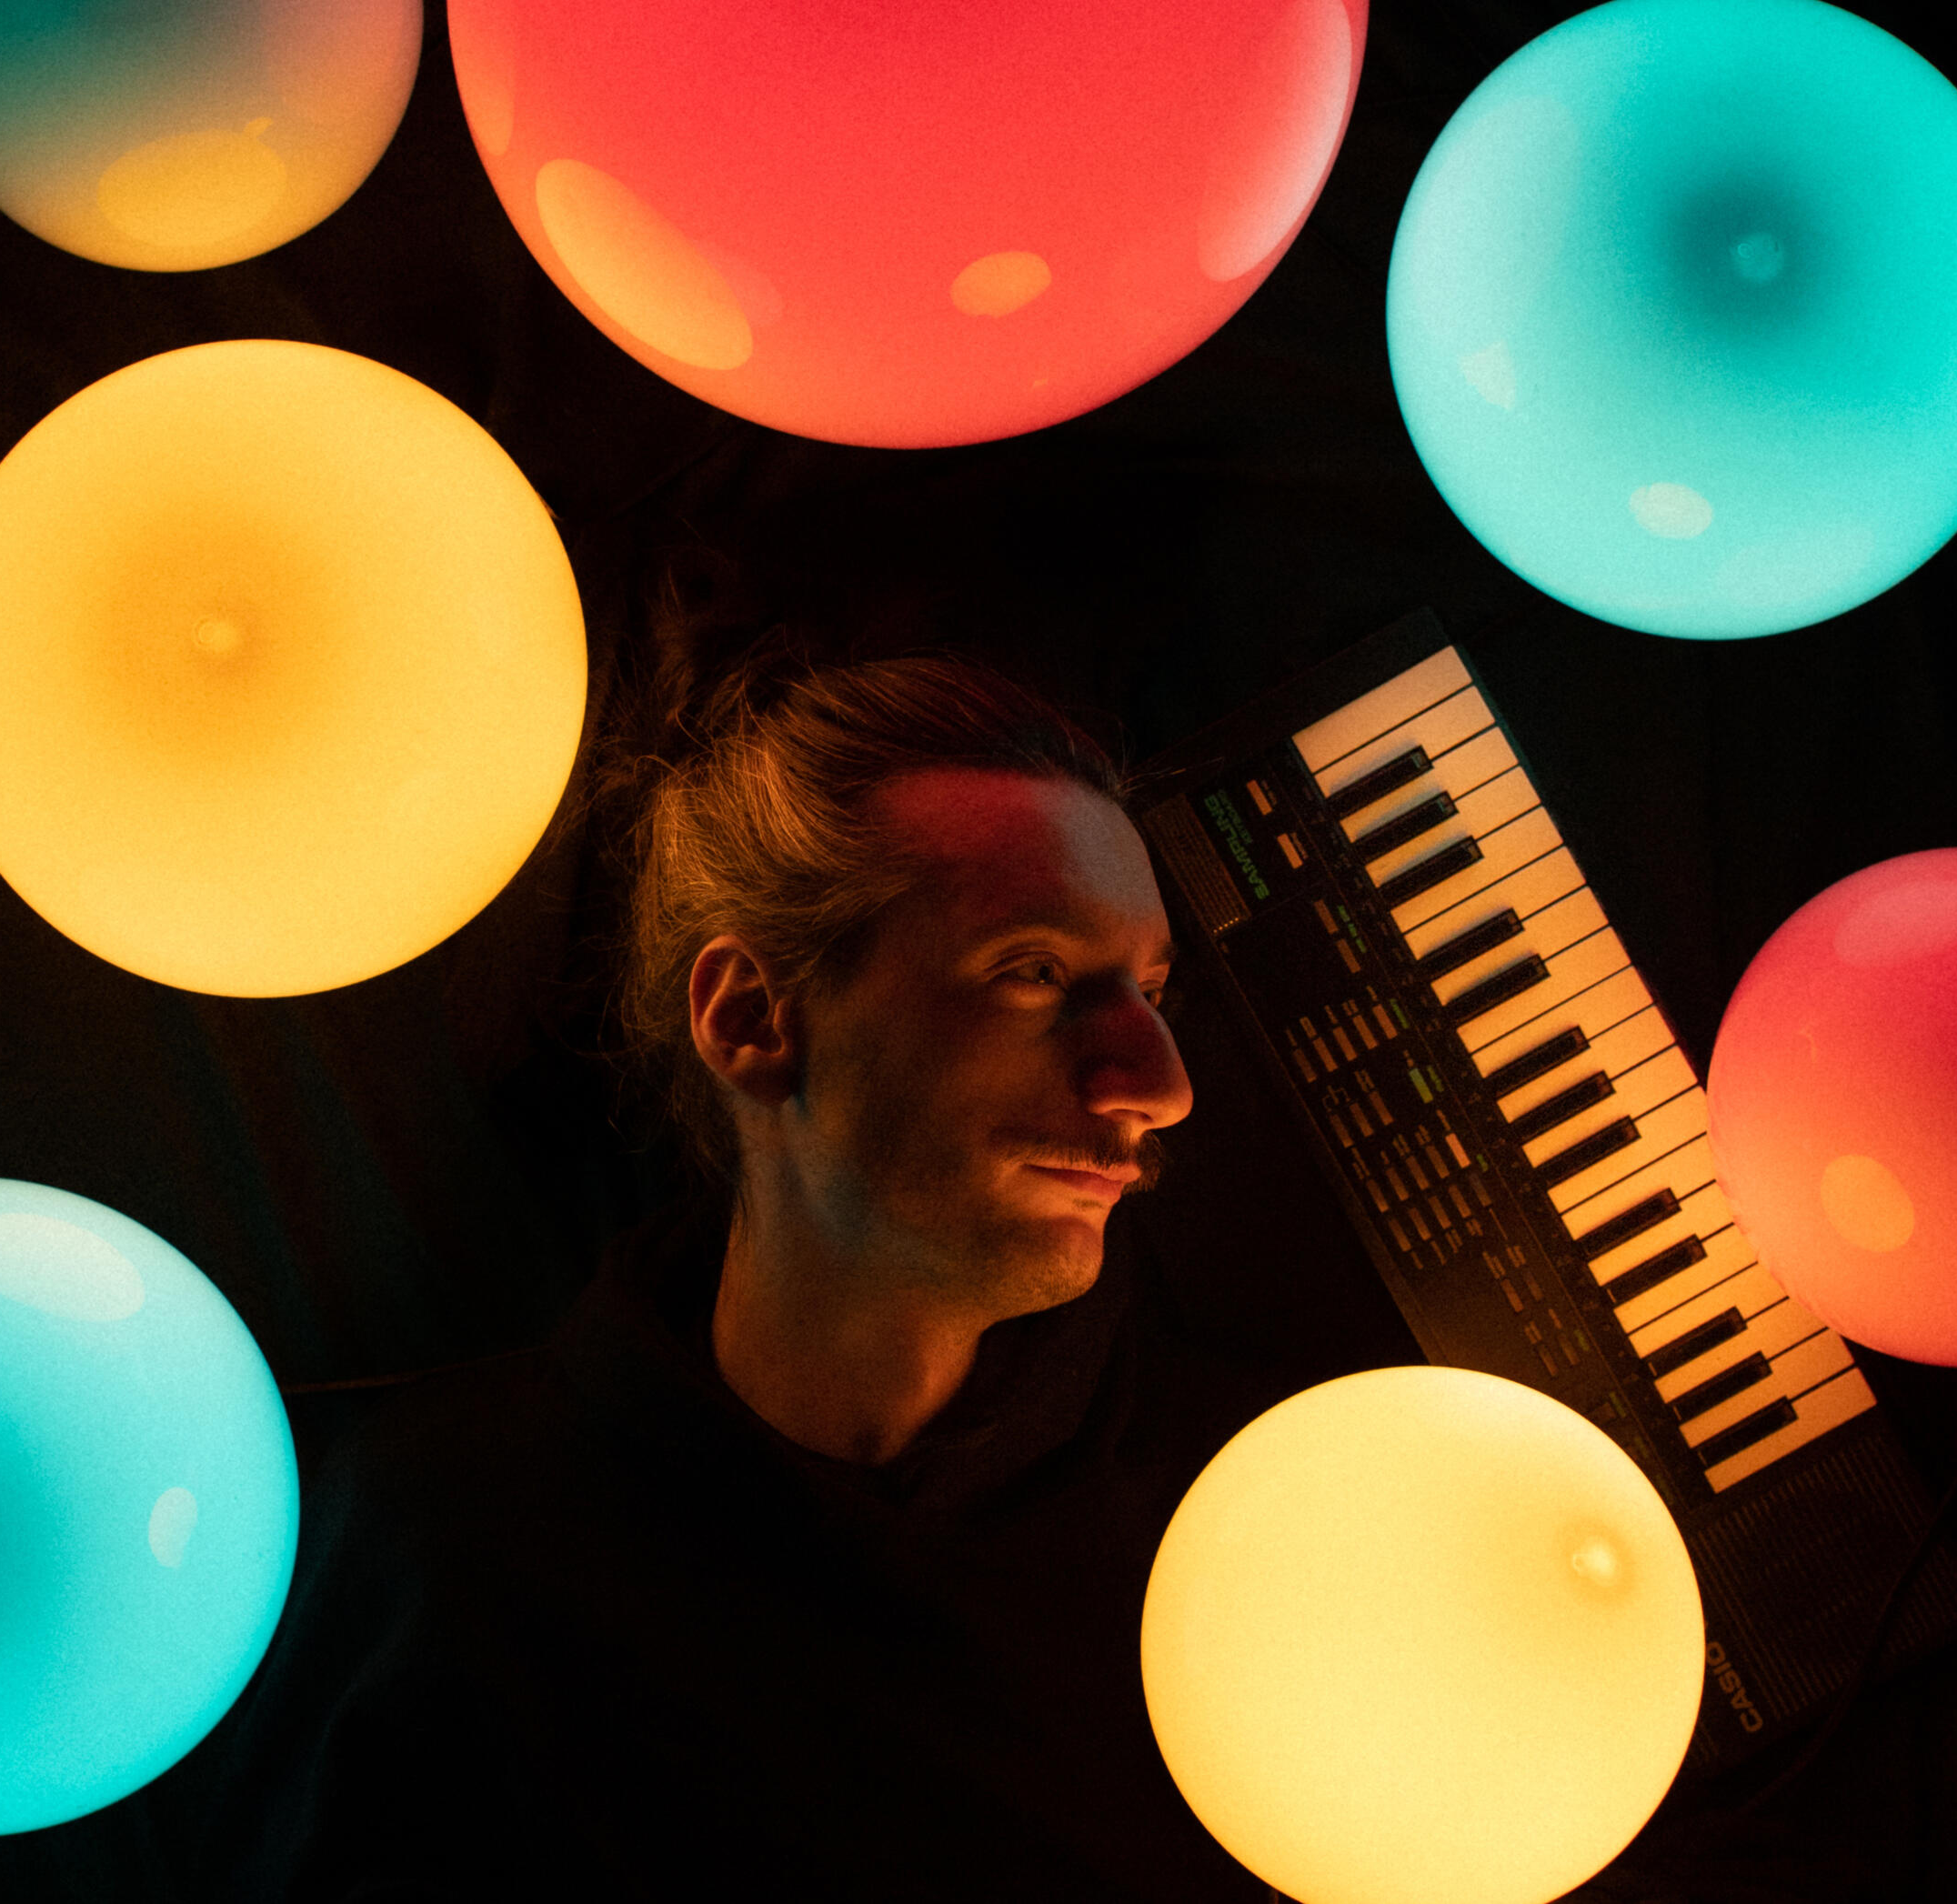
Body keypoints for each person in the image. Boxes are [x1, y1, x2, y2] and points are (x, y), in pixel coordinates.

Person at [178, 636, 1286, 1901]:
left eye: (1149, 991)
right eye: (1034, 973)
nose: (1157, 1087)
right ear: (752, 1017)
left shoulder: (1256, 1525)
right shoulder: (446, 1555)